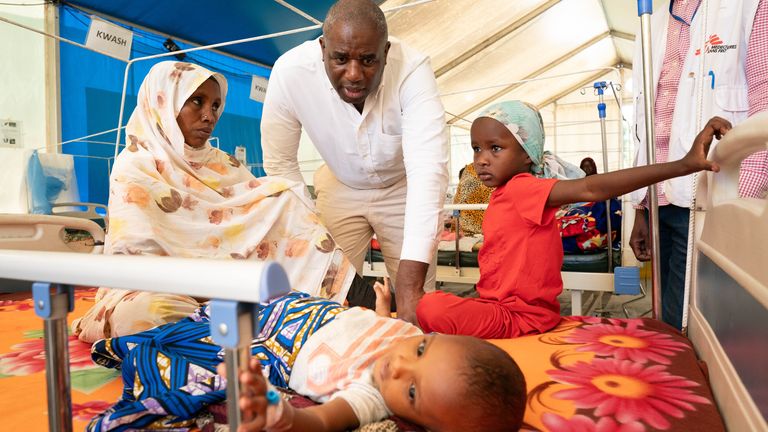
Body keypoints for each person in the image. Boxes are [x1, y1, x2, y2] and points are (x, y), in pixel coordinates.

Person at [72, 61, 356, 343]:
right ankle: (253, 329)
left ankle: (345, 304)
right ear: (164, 102)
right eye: (197, 101)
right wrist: (202, 284)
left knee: (285, 198)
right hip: (163, 289)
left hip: (231, 287)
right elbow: (134, 260)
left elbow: (257, 211)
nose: (209, 116)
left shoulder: (223, 165)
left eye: (216, 106)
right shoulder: (136, 166)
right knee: (146, 313)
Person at [416, 101, 730, 339]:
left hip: (520, 316)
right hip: (497, 307)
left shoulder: (524, 188)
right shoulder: (502, 194)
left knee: (428, 307)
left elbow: (591, 188)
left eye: (495, 148)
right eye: (476, 149)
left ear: (528, 154)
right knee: (433, 306)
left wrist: (683, 165)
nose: (481, 159)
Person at [85, 285, 527, 432]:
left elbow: (322, 422)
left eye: (411, 391)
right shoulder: (408, 334)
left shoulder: (370, 396)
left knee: (194, 343)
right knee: (243, 294)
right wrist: (383, 310)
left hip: (279, 346)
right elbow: (381, 329)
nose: (397, 365)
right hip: (305, 309)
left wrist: (283, 415)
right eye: (421, 351)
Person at [261, 0, 449, 324]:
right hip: (339, 184)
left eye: (368, 60)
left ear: (386, 52)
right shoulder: (290, 73)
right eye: (340, 59)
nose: (354, 75)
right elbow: (280, 165)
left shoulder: (413, 69)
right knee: (323, 291)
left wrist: (409, 286)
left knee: (417, 303)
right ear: (322, 48)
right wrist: (310, 233)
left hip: (402, 187)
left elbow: (428, 170)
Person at [630, 0, 767, 329]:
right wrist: (640, 207)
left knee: (689, 323)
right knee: (665, 318)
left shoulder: (748, 5)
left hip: (710, 199)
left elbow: (765, 105)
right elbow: (643, 124)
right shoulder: (652, 19)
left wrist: (733, 205)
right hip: (658, 201)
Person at [451, 163, 494, 236]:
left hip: (467, 228)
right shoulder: (495, 170)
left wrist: (455, 220)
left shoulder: (468, 171)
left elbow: (457, 203)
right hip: (488, 228)